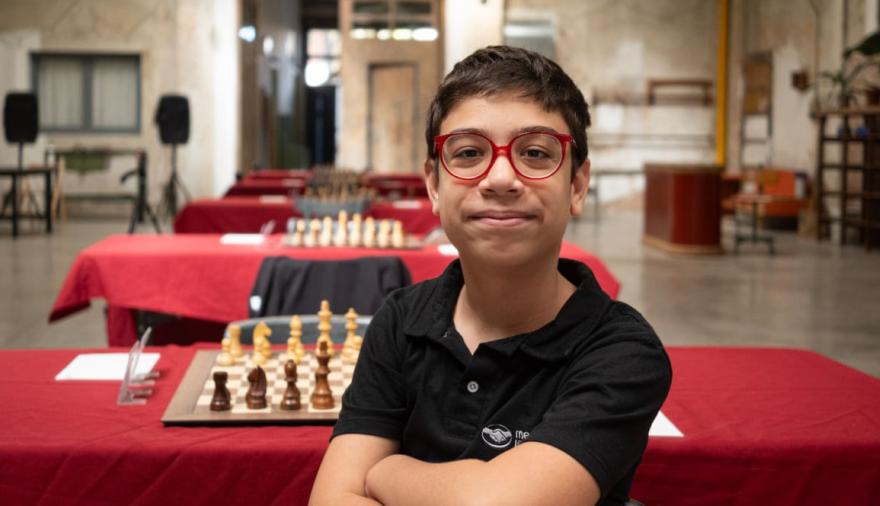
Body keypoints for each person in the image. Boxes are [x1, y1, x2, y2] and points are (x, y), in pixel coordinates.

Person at [309, 45, 672, 506]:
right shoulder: (401, 321)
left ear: (577, 186)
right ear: (434, 185)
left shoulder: (622, 352)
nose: (500, 178)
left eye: (535, 152)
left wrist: (386, 473)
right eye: (468, 152)